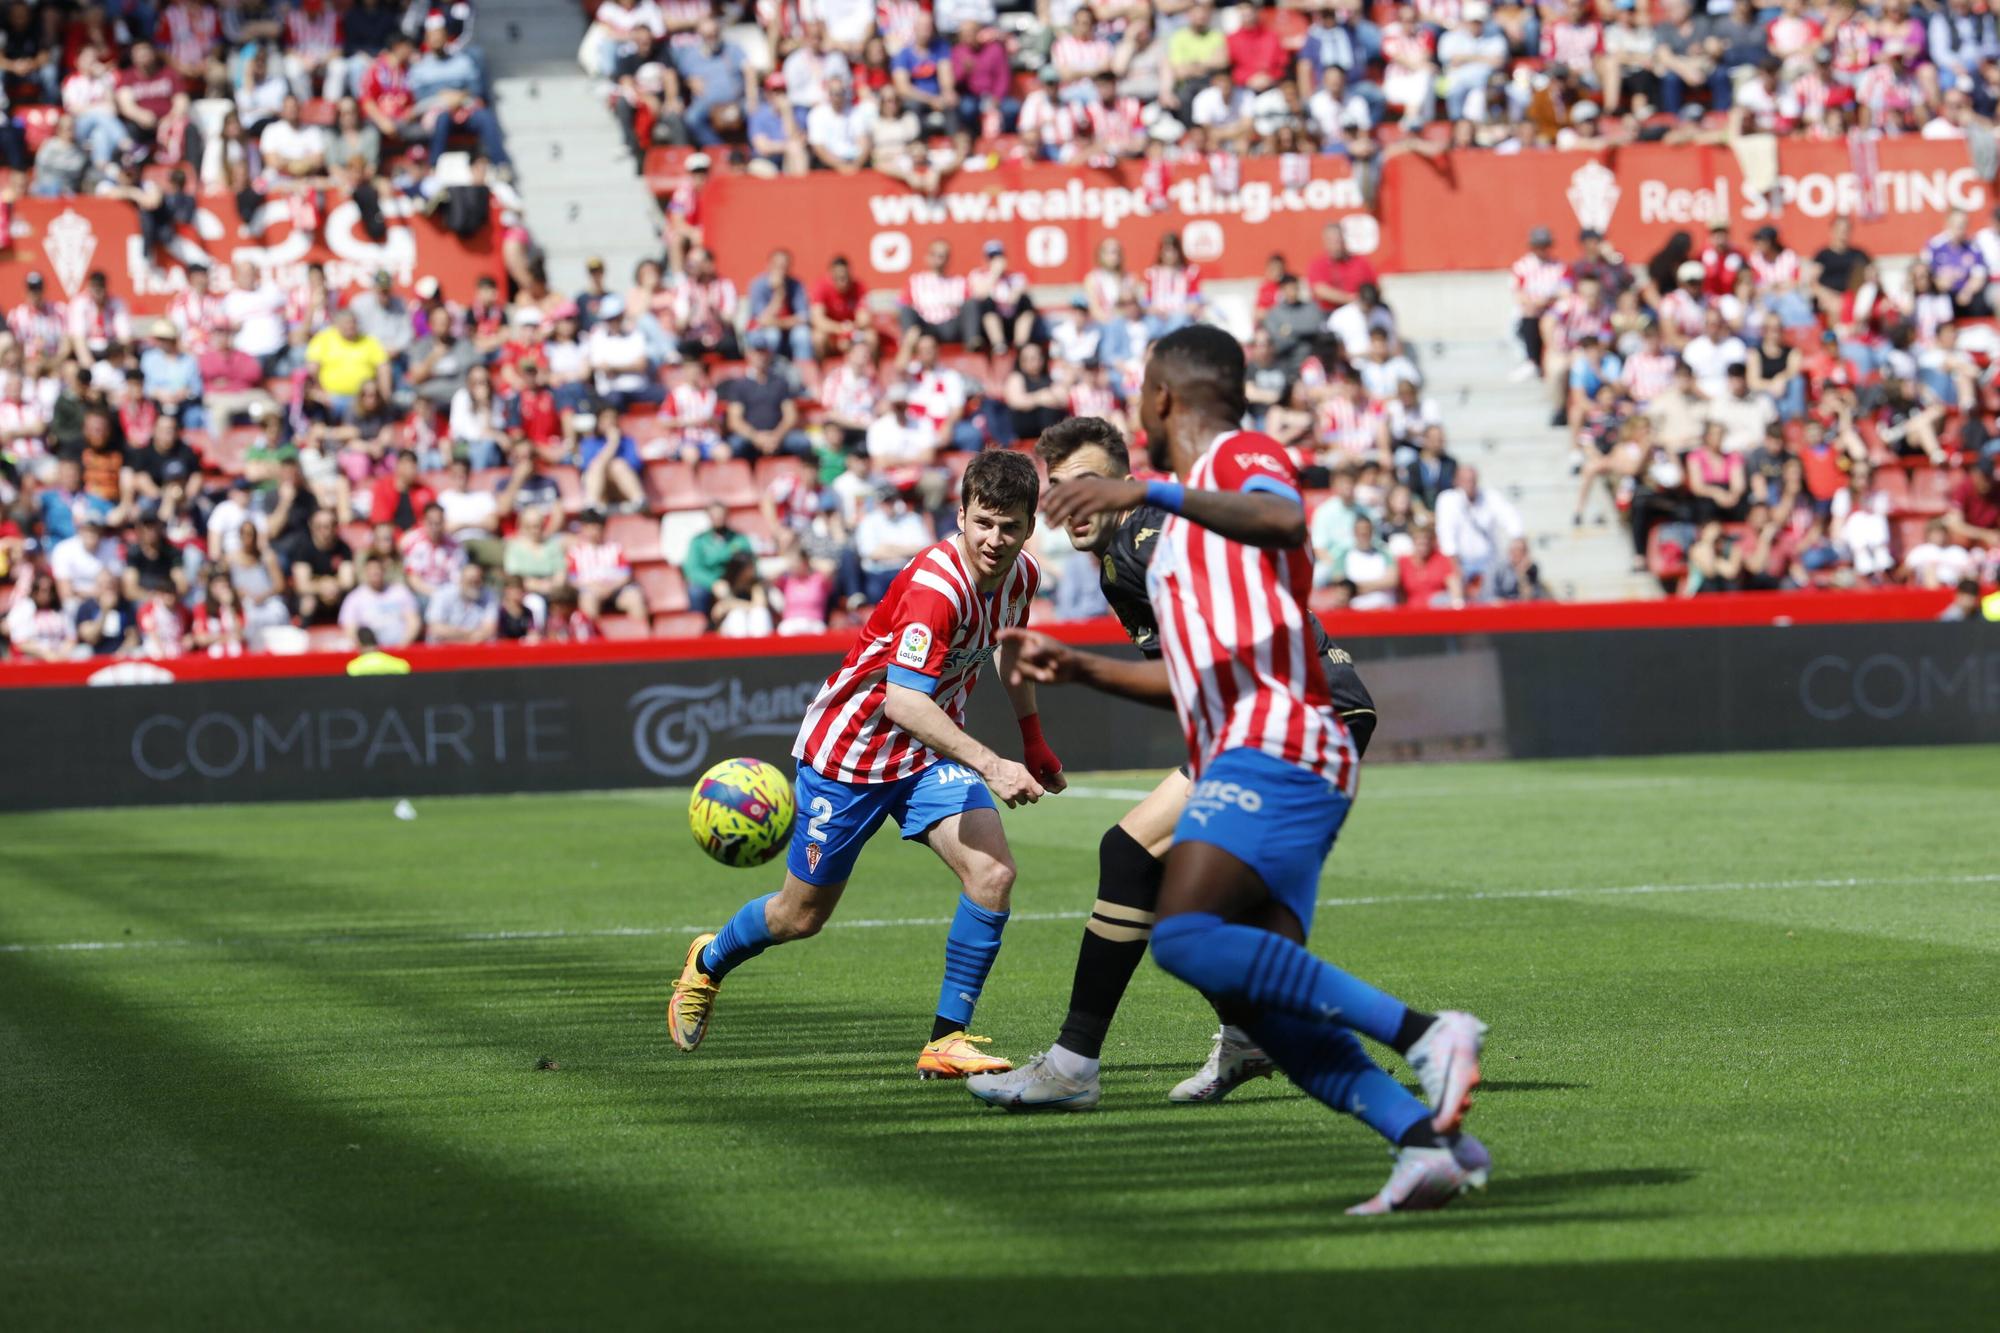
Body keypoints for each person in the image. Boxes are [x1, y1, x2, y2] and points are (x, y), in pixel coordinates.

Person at [1032, 325, 1489, 1214]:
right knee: (1256, 990)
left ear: (1162, 398)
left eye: (1139, 395)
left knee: (1183, 934)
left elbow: (1287, 515)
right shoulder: (1175, 531)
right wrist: (1080, 668)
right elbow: (1192, 670)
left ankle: (1430, 1033)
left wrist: (1140, 485)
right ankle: (1424, 1144)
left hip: (1281, 730)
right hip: (1249, 734)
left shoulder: (1234, 456)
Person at [967, 415, 1380, 1112]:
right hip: (1272, 713)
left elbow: (1213, 659)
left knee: (1136, 857)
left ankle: (1074, 1065)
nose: (1072, 502)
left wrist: (1081, 671)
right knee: (1165, 883)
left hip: (1297, 715)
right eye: (1059, 488)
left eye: (1089, 485)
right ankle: (1257, 1032)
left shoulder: (1145, 543)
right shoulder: (1120, 555)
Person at [668, 450, 1063, 1080]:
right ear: (959, 515)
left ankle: (946, 1042)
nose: (994, 539)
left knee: (992, 873)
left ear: (1029, 526)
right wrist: (993, 763)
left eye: (1009, 526)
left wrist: (1033, 738)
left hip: (926, 753)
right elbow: (903, 701)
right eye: (983, 522)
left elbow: (1007, 652)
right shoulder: (936, 589)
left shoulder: (1022, 576)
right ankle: (709, 960)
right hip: (848, 757)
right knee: (799, 918)